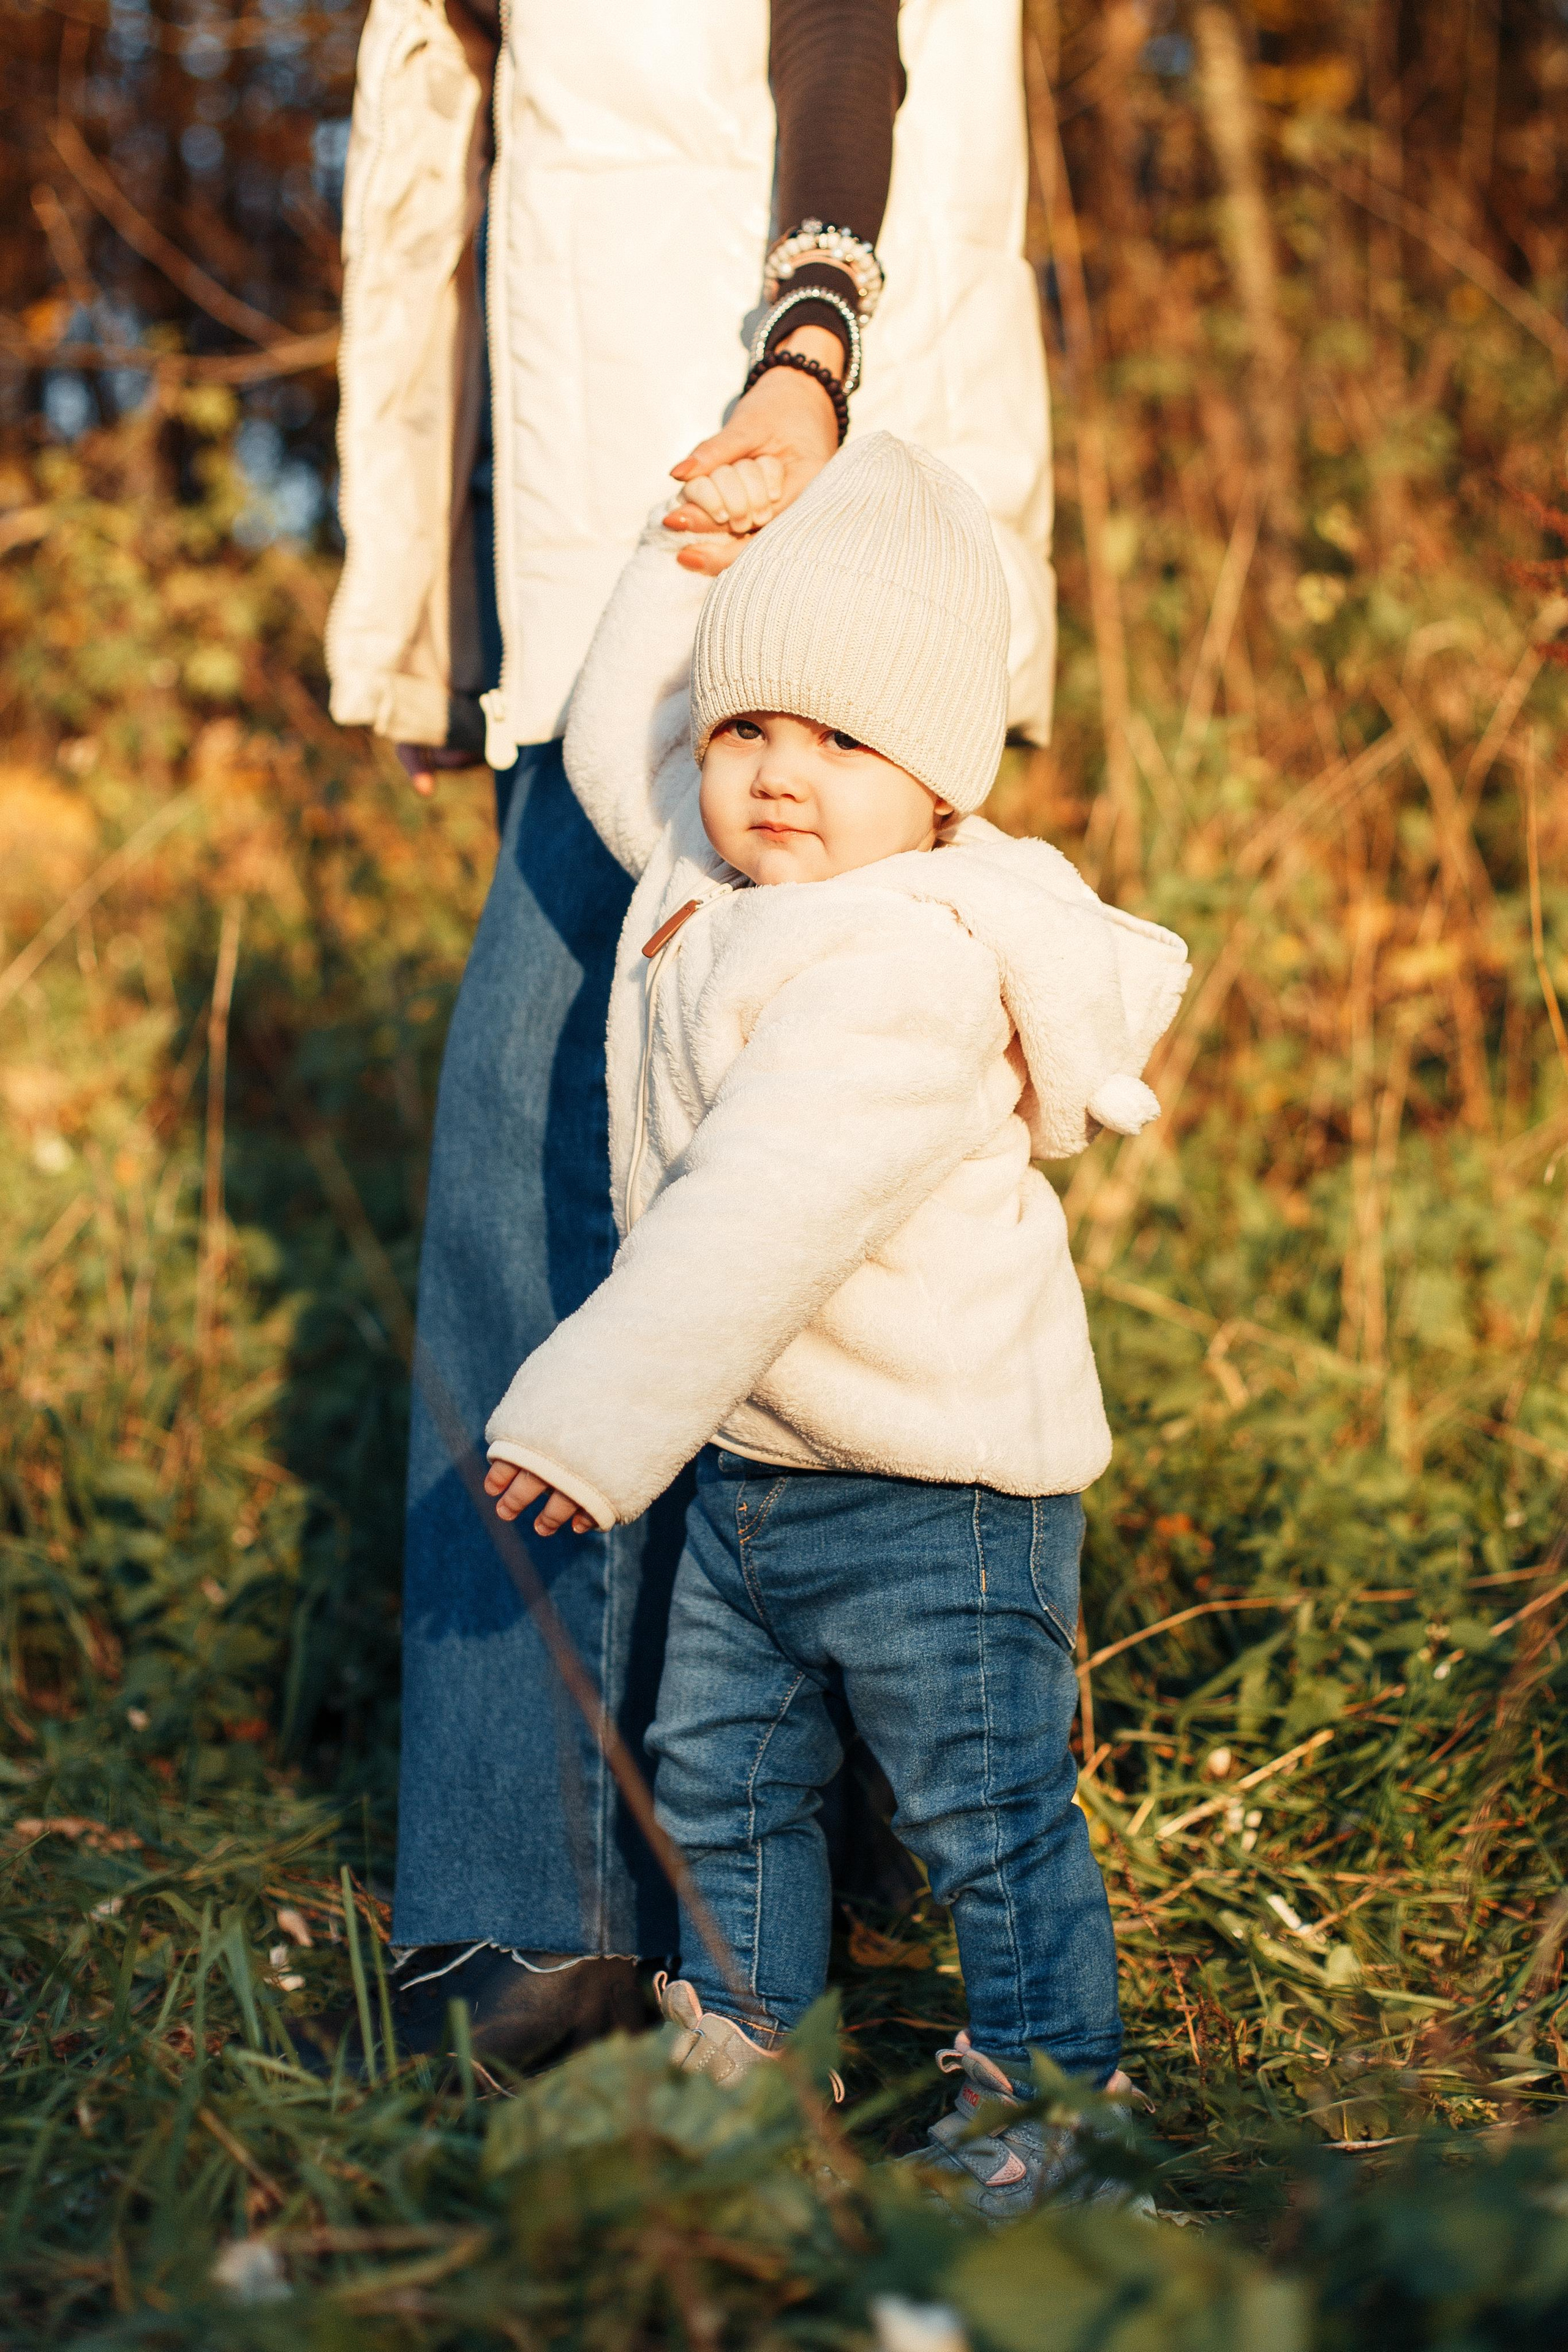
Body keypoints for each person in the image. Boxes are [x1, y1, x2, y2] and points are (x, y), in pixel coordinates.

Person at [320, 0, 1058, 2070]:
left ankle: (562, 1904)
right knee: (662, 1143)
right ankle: (735, 1888)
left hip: (753, 468)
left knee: (623, 1148)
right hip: (602, 475)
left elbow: (847, 28)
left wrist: (811, 339)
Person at [481, 433, 1189, 2214]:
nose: (779, 773)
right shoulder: (715, 884)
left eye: (841, 741)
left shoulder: (900, 960)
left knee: (986, 1822)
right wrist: (689, 553)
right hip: (757, 1470)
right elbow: (604, 743)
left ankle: (1052, 2124)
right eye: (747, 731)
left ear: (937, 781)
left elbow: (761, 1217)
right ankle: (740, 2075)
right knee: (721, 1788)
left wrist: (586, 1420)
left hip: (938, 1491)